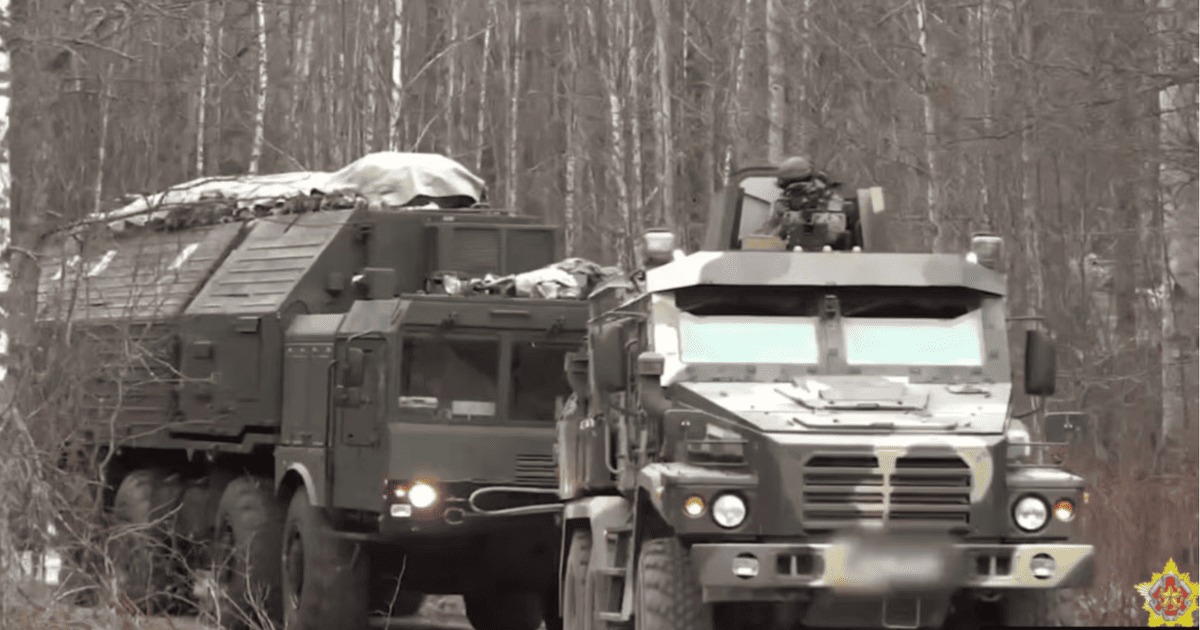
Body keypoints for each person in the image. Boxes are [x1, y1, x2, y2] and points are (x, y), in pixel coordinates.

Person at [755, 155, 850, 250]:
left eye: (802, 189)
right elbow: (762, 243)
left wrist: (812, 216)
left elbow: (834, 236)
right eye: (793, 191)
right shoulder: (782, 204)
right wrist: (782, 224)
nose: (798, 195)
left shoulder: (830, 200)